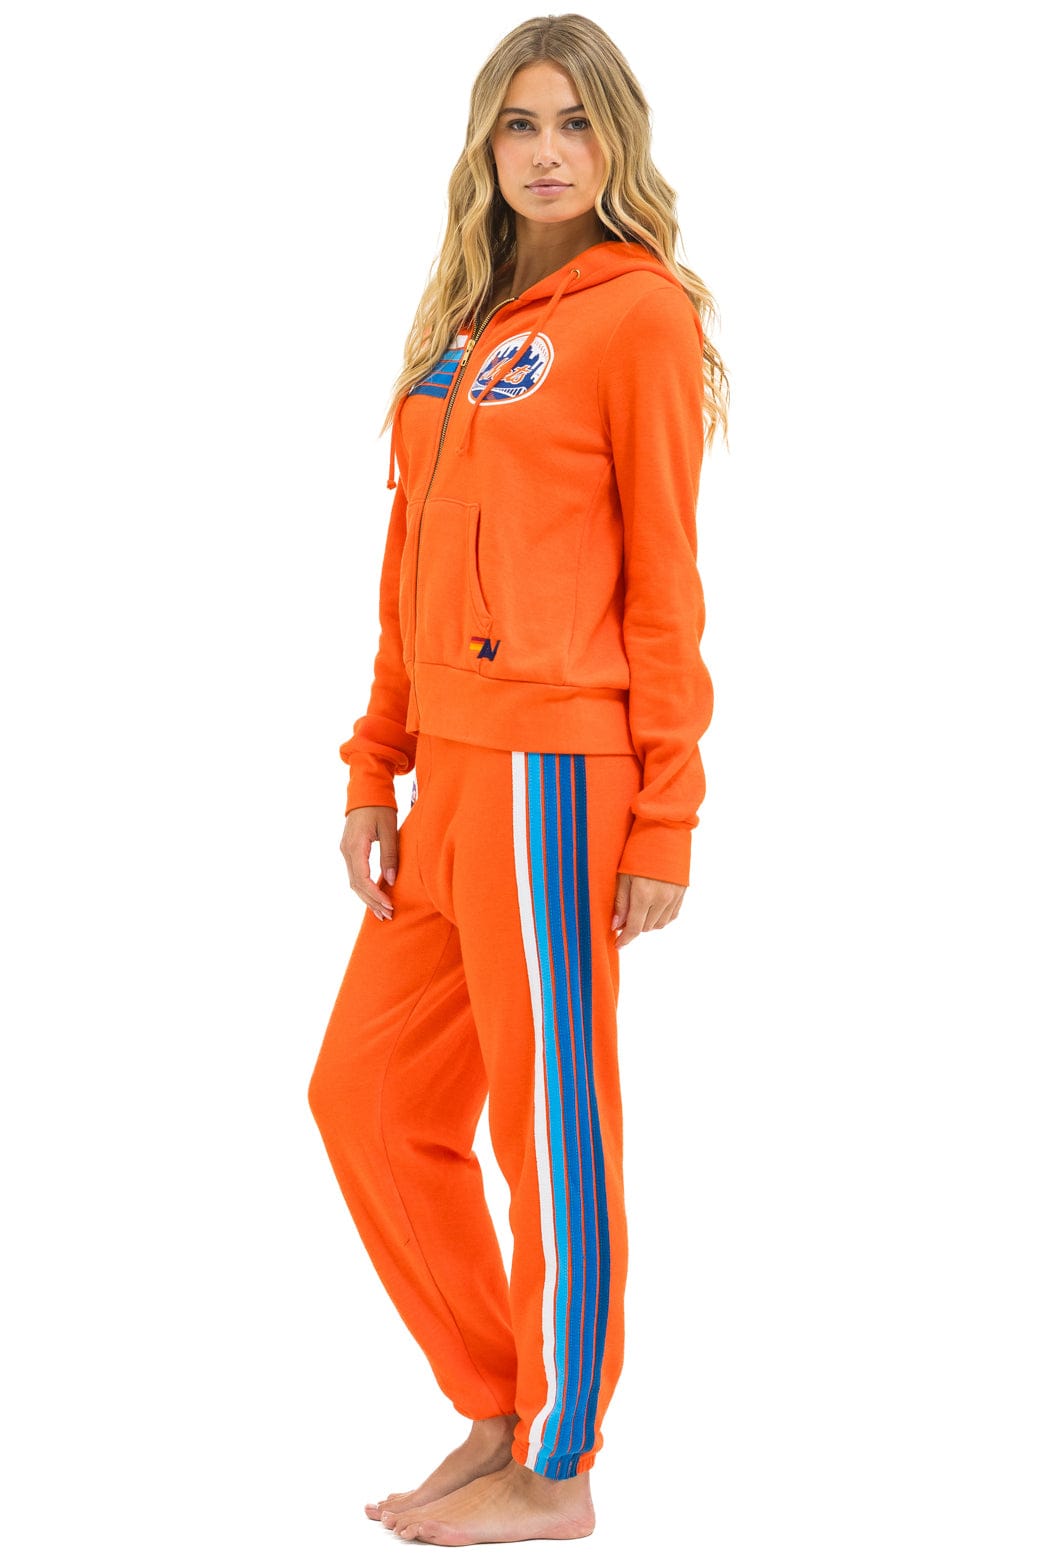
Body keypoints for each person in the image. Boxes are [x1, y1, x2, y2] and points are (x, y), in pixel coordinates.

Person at [308, 12, 729, 1546]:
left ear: (619, 142)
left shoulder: (640, 316)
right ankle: (498, 1402)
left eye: (576, 123)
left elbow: (666, 580)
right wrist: (377, 763)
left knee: (548, 1126)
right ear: (485, 146)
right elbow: (407, 573)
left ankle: (559, 1468)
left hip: (559, 771)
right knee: (364, 1098)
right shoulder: (462, 331)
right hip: (450, 778)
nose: (548, 153)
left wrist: (667, 807)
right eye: (520, 124)